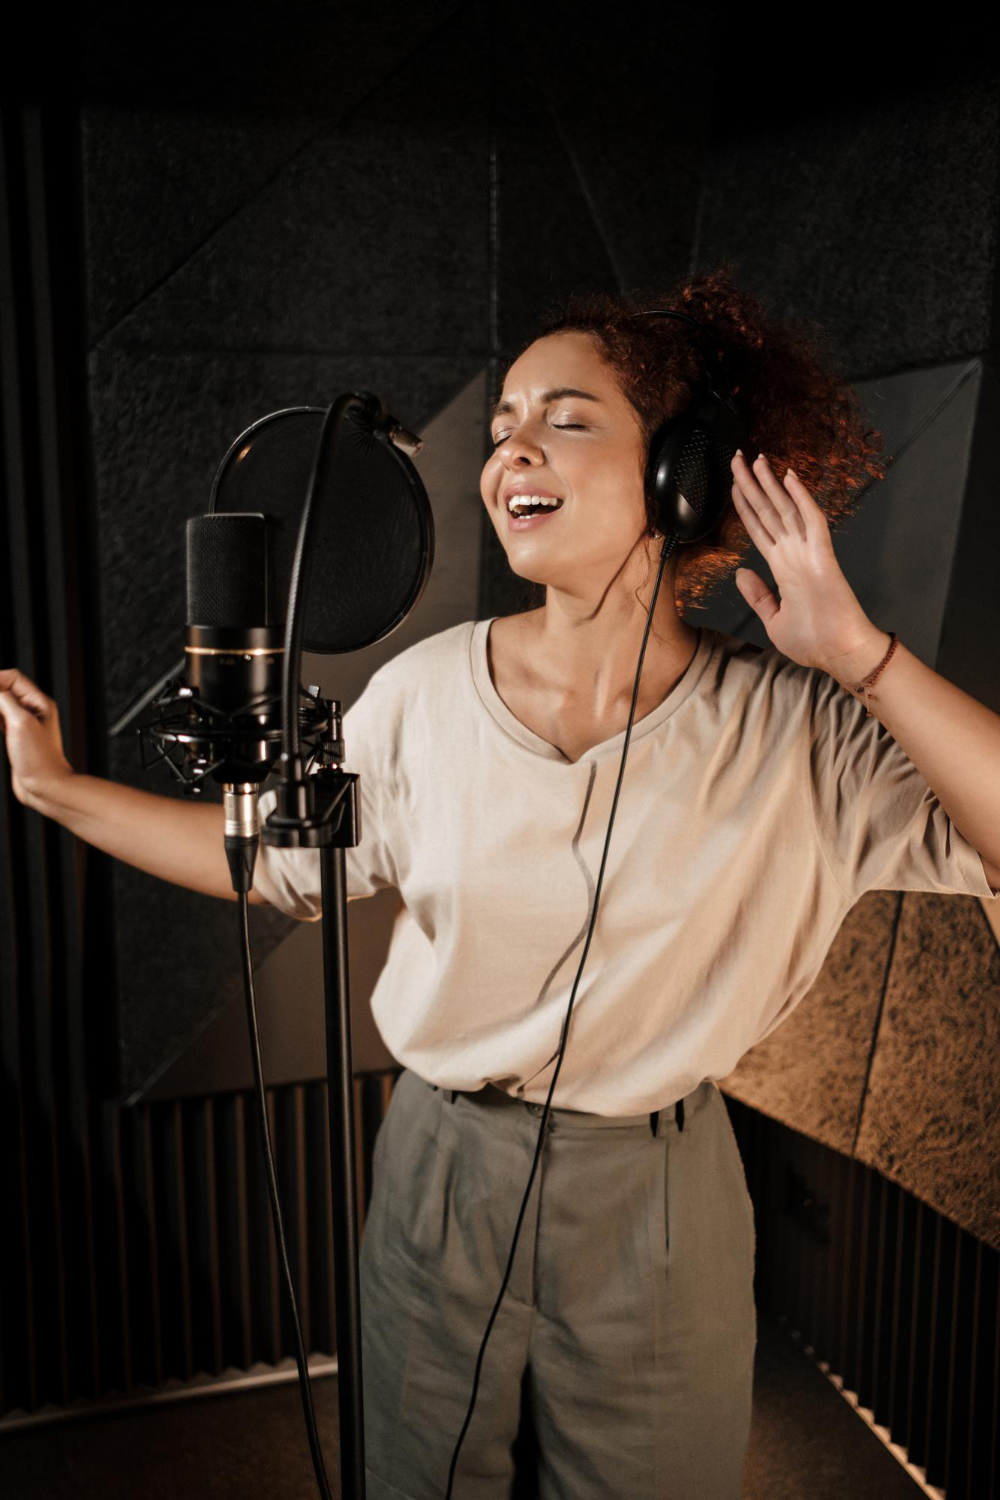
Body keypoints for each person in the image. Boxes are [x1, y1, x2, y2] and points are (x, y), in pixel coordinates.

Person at [3, 266, 999, 1500]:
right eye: (501, 426)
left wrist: (863, 657)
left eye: (565, 417)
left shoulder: (799, 730)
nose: (511, 449)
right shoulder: (421, 691)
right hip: (437, 1165)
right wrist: (53, 791)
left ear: (679, 469)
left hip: (657, 1193)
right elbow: (274, 867)